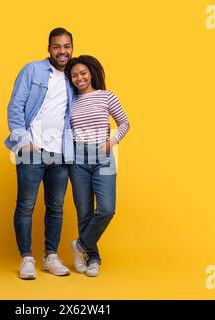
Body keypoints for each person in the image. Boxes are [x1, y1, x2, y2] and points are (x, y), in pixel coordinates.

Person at [4, 28, 75, 279]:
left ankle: (50, 257)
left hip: (60, 153)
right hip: (32, 149)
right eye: (57, 46)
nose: (62, 51)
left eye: (67, 46)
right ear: (49, 48)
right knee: (26, 206)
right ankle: (26, 258)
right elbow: (16, 106)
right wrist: (24, 142)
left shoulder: (73, 77)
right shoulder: (32, 70)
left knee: (55, 207)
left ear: (72, 49)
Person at [64, 55, 130, 277]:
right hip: (78, 160)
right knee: (84, 213)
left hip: (103, 157)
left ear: (91, 73)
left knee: (106, 209)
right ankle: (93, 259)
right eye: (74, 75)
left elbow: (125, 123)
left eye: (83, 73)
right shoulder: (70, 100)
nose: (79, 78)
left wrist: (111, 141)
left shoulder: (106, 96)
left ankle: (80, 246)